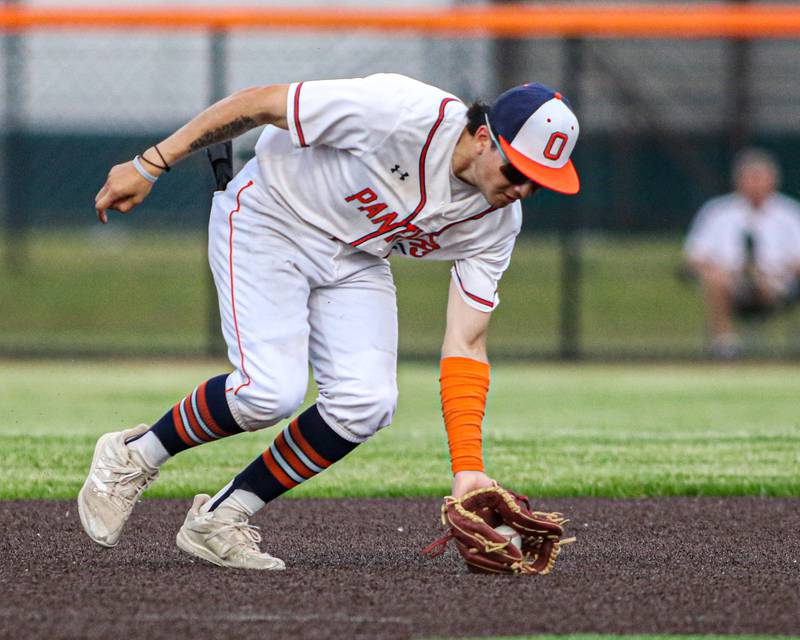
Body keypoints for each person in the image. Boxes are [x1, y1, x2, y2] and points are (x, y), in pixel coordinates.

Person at [79, 74, 580, 570]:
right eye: (518, 171)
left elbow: (466, 341)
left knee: (367, 403)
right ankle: (133, 456)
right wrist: (151, 164)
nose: (524, 189)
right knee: (268, 393)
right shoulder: (399, 112)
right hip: (271, 217)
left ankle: (222, 517)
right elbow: (259, 103)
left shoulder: (495, 224)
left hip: (356, 256)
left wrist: (469, 468)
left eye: (540, 182)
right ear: (484, 137)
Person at [684, 149, 800, 357]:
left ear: (772, 180)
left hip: (776, 284)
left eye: (760, 178)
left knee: (766, 280)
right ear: (738, 181)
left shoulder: (790, 213)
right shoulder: (717, 212)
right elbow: (693, 257)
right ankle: (725, 345)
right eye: (750, 178)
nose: (755, 184)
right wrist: (722, 271)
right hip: (731, 283)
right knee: (716, 280)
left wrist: (772, 273)